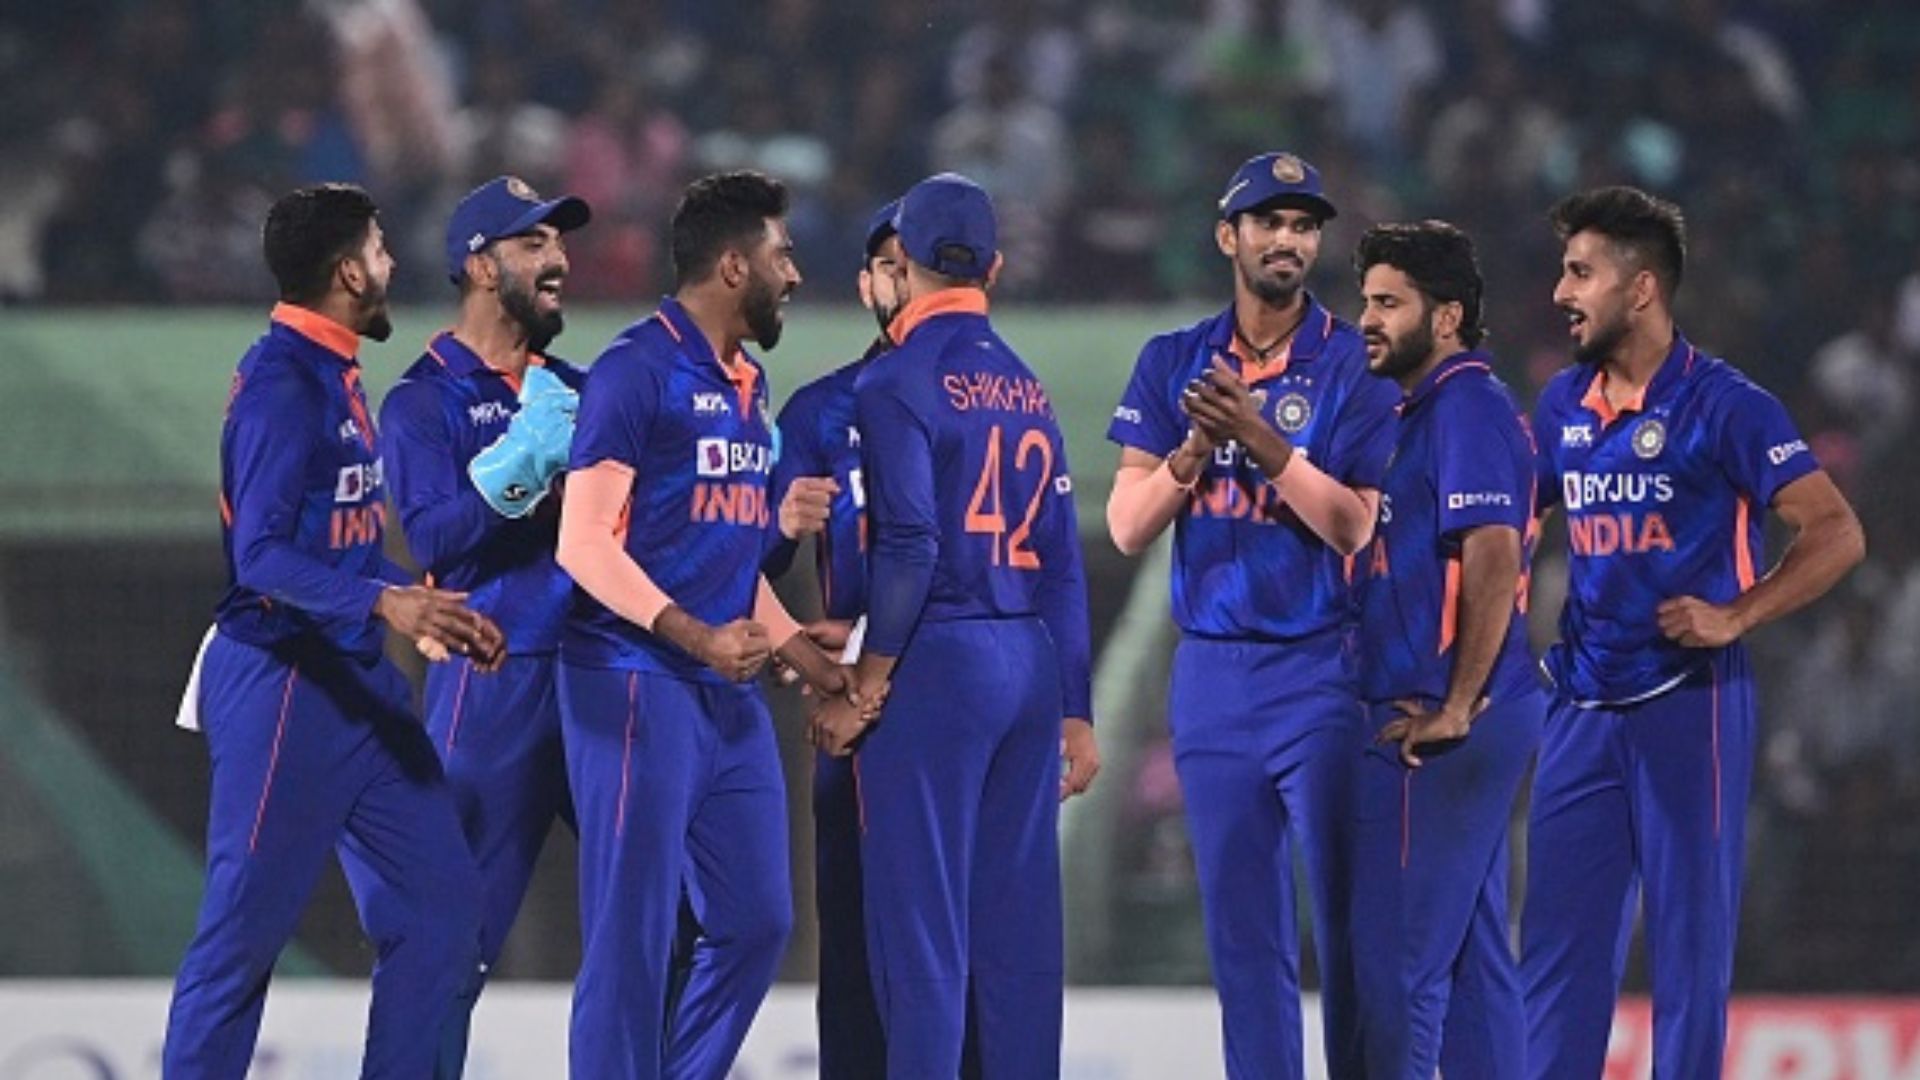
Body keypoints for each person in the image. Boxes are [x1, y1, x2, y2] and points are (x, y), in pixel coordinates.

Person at [1522, 186, 1866, 1079]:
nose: (1561, 292)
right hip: (1580, 704)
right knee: (1556, 949)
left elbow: (1836, 531)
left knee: (1688, 948)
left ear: (1641, 288)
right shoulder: (1561, 404)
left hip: (1691, 700)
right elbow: (1513, 520)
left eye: (1580, 272)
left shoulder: (1726, 404)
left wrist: (1738, 613)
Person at [163, 182, 506, 1079]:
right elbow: (260, 558)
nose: (393, 264)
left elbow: (338, 545)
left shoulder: (333, 368)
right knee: (241, 939)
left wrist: (421, 602)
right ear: (350, 271)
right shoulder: (283, 383)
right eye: (381, 249)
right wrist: (386, 605)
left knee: (443, 916)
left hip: (355, 684)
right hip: (282, 685)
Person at [1103, 151, 1399, 1080]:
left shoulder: (1354, 361)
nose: (1288, 240)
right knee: (1242, 930)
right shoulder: (1173, 360)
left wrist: (1262, 441)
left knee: (1348, 919)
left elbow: (1353, 525)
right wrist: (1193, 450)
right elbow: (1126, 526)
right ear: (1227, 236)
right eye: (1269, 222)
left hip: (1324, 666)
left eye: (1304, 226)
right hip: (1213, 671)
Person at [554, 169, 852, 1080]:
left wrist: (803, 653)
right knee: (632, 931)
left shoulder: (748, 382)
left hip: (723, 693)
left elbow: (726, 557)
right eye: (781, 256)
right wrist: (699, 637)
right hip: (632, 680)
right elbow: (581, 544)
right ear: (732, 266)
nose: (793, 275)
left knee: (757, 921)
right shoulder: (634, 370)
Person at [811, 172, 1095, 1078]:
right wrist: (1077, 710)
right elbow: (1061, 560)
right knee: (1016, 940)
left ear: (903, 261)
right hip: (1027, 660)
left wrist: (867, 684)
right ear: (996, 268)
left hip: (939, 661)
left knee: (921, 941)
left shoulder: (896, 378)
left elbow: (909, 546)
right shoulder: (1028, 386)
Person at [377, 174, 591, 1077]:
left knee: (678, 918)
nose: (559, 258)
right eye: (533, 243)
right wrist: (525, 467)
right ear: (477, 265)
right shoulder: (422, 401)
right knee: (448, 940)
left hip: (602, 678)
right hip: (492, 682)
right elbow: (434, 540)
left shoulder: (580, 389)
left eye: (559, 241)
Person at [1348, 220, 1542, 1080]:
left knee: (1402, 966)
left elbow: (1493, 551)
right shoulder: (1433, 410)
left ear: (1449, 316)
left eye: (1390, 303)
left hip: (1442, 717)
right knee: (1473, 964)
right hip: (1468, 708)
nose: (1368, 320)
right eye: (1366, 301)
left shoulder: (1467, 405)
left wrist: (1457, 704)